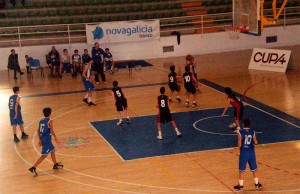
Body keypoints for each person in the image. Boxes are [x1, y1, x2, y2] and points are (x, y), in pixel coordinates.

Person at [28, 107, 63, 176]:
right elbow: (51, 131)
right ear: (50, 113)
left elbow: (38, 131)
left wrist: (40, 140)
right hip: (47, 139)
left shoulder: (41, 120)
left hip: (43, 138)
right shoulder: (50, 120)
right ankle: (33, 167)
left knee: (52, 150)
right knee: (44, 155)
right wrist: (55, 138)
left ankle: (55, 164)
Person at [233, 119, 262, 191]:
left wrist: (242, 149)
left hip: (244, 152)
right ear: (249, 124)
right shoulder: (253, 132)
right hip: (251, 152)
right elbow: (256, 142)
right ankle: (256, 185)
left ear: (243, 124)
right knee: (254, 169)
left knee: (241, 170)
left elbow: (239, 145)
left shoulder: (240, 132)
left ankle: (241, 186)